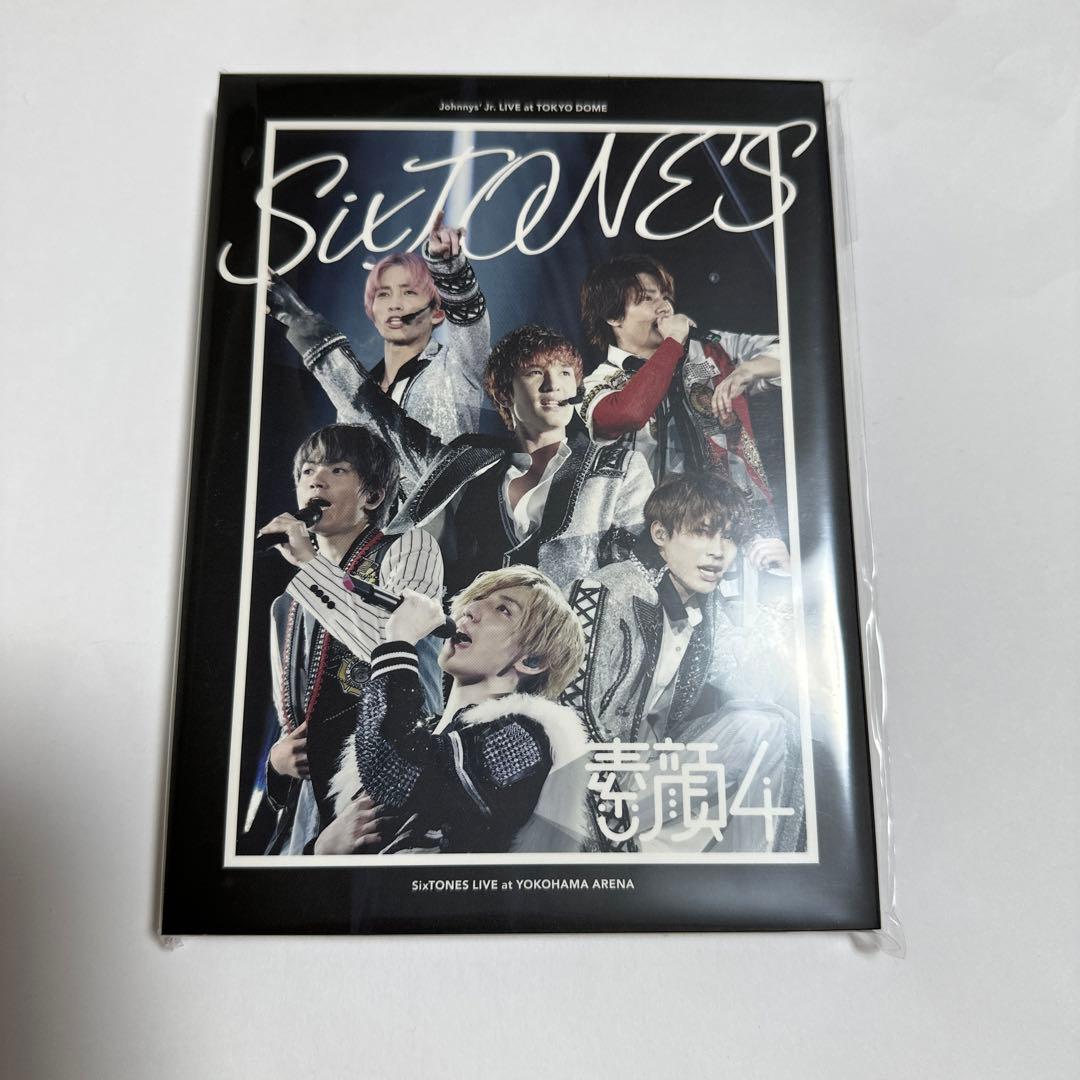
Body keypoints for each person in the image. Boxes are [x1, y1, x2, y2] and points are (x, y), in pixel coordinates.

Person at [561, 472, 802, 853]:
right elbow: (571, 717)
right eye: (702, 533)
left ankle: (747, 875)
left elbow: (759, 689)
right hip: (588, 790)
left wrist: (784, 588)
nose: (719, 552)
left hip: (650, 775)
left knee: (768, 726)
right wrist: (604, 810)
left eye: (729, 538)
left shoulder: (705, 610)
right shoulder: (606, 591)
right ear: (661, 534)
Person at [256, 423, 444, 855]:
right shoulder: (287, 605)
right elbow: (291, 711)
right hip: (310, 808)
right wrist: (277, 762)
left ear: (372, 495)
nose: (316, 480)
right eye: (307, 471)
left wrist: (310, 565)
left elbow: (393, 645)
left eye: (337, 470)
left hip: (388, 783)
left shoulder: (409, 547)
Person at [315, 567, 590, 854]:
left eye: (504, 610)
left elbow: (396, 772)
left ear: (532, 661)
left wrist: (399, 644)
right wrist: (321, 849)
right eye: (478, 598)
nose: (471, 609)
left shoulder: (526, 741)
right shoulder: (422, 735)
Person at [386, 323, 654, 597]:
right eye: (535, 372)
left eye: (564, 372)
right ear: (504, 393)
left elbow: (638, 571)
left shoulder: (620, 467)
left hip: (570, 624)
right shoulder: (471, 462)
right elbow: (388, 425)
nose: (553, 385)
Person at [578, 253, 788, 570]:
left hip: (742, 535)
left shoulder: (713, 350)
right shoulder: (599, 381)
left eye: (665, 297)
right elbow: (628, 414)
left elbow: (793, 350)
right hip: (654, 548)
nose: (664, 307)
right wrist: (673, 341)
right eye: (647, 299)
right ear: (613, 316)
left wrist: (747, 371)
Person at [266, 213, 490, 495]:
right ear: (371, 310)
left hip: (450, 519)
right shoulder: (353, 390)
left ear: (437, 312)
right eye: (383, 294)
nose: (394, 304)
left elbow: (470, 321)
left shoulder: (458, 366)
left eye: (408, 292)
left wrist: (448, 268)